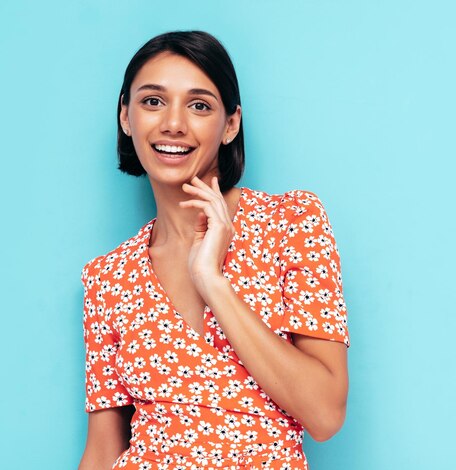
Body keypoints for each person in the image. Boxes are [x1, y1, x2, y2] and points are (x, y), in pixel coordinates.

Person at [78, 31, 350, 470]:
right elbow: (103, 450)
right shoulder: (107, 277)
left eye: (199, 105)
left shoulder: (291, 222)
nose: (173, 123)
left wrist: (212, 281)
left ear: (231, 124)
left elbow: (325, 414)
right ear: (125, 117)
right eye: (152, 101)